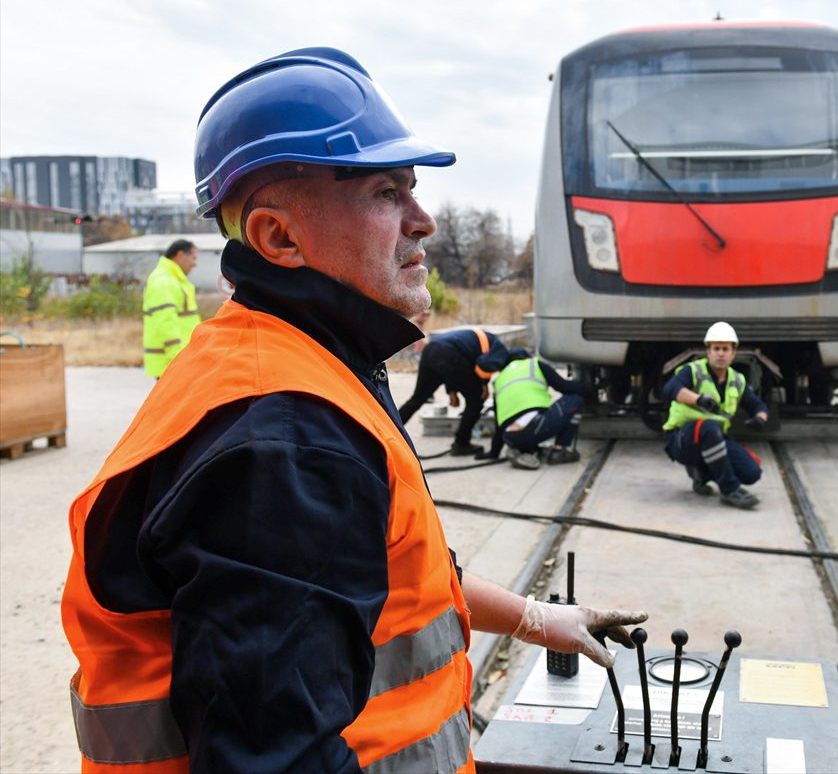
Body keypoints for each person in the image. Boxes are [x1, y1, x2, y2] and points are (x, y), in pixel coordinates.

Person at [60, 47, 645, 774]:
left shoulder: (295, 361)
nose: (425, 221)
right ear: (279, 237)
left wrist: (535, 619)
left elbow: (388, 578)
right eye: (385, 193)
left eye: (413, 190)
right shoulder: (288, 443)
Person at [661, 321, 768, 509]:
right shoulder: (693, 370)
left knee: (752, 472)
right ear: (708, 352)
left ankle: (700, 473)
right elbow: (670, 389)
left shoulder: (737, 380)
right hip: (682, 439)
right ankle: (730, 490)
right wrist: (698, 399)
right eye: (716, 348)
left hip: (714, 438)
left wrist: (760, 418)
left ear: (733, 353)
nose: (720, 353)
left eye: (725, 349)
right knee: (710, 427)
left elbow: (757, 405)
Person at [397, 327, 510, 455]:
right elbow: (484, 363)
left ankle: (387, 432)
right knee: (476, 399)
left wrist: (452, 390)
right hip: (447, 353)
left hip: (431, 349)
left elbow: (458, 362)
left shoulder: (481, 339)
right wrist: (484, 383)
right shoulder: (500, 350)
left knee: (418, 398)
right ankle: (461, 444)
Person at [481, 350, 589, 469]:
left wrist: (494, 453)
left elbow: (498, 424)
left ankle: (523, 450)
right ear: (527, 358)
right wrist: (588, 390)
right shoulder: (534, 364)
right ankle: (560, 450)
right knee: (575, 399)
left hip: (509, 437)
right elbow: (565, 387)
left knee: (526, 423)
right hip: (535, 428)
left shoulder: (500, 379)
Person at [142, 238, 200, 378]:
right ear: (180, 255)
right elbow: (165, 323)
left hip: (178, 361)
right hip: (172, 363)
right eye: (193, 258)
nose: (195, 264)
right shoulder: (164, 281)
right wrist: (177, 359)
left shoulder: (172, 280)